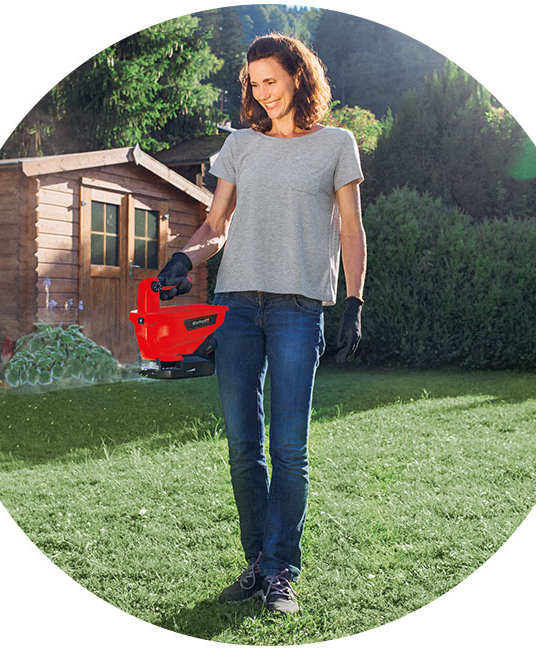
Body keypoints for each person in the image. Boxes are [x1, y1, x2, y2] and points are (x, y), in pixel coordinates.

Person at [156, 32, 366, 615]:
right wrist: (185, 259)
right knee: (244, 445)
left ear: (299, 76)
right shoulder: (241, 147)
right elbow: (215, 226)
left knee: (289, 446)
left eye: (271, 80)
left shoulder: (336, 145)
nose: (262, 92)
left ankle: (280, 570)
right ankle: (258, 563)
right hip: (238, 308)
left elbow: (350, 228)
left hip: (300, 306)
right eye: (253, 83)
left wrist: (353, 301)